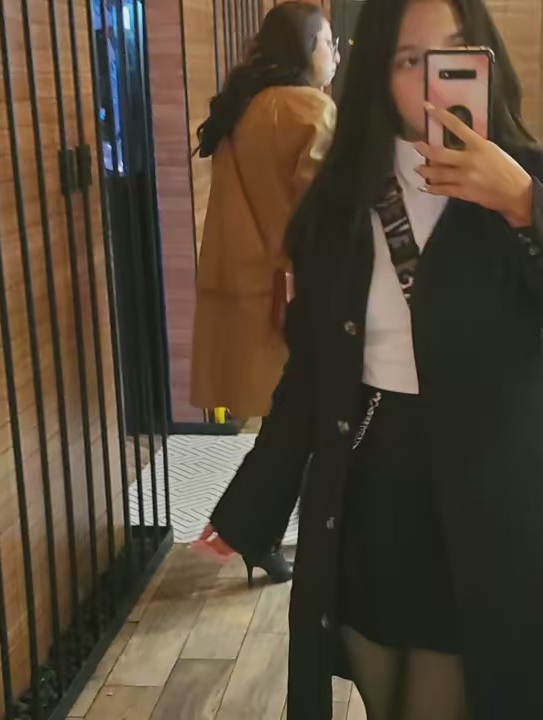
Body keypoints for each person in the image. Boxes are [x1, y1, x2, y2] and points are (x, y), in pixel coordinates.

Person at [196, 0, 543, 717]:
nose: (436, 78)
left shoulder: (531, 177)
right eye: (411, 60)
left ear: (485, 57)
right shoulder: (339, 203)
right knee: (395, 694)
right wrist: (252, 504)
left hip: (498, 497)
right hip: (375, 492)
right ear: (379, 74)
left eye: (455, 51)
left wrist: (523, 205)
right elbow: (313, 373)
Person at [189, 3, 339, 582]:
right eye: (327, 43)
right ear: (303, 51)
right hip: (306, 289)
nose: (335, 53)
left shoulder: (245, 108)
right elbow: (323, 210)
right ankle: (256, 530)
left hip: (253, 287)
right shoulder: (311, 109)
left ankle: (250, 530)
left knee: (293, 418)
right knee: (309, 418)